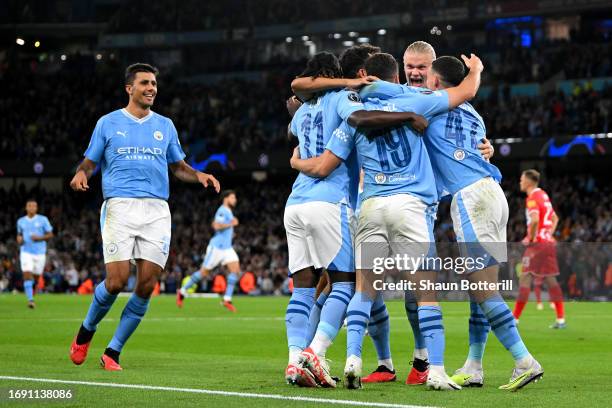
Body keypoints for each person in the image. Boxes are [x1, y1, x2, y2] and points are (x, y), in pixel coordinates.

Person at [291, 52, 484, 390]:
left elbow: (322, 164)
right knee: (425, 292)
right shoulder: (418, 100)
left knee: (362, 290)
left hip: (371, 206)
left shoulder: (353, 116)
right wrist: (477, 69)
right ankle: (435, 369)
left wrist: (296, 161)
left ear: (367, 76)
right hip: (410, 205)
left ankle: (345, 357)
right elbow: (465, 94)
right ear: (396, 76)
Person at [284, 51, 428, 388]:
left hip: (295, 204)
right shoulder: (343, 98)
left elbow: (293, 115)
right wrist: (406, 117)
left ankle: (294, 361)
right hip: (330, 202)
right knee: (347, 283)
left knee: (303, 288)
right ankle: (314, 356)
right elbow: (361, 118)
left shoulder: (303, 109)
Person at [68, 63, 220, 371]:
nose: (151, 88)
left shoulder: (165, 125)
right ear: (129, 88)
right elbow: (88, 162)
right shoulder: (108, 123)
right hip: (120, 206)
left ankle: (113, 352)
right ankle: (86, 330)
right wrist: (80, 174)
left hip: (156, 210)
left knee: (148, 283)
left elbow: (178, 167)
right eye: (145, 83)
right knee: (116, 281)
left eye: (154, 84)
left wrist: (199, 174)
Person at [407, 56, 544, 391]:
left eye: (428, 78)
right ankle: (474, 365)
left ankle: (524, 360)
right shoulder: (474, 114)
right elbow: (476, 146)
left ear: (437, 83)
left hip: (470, 198)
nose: (423, 82)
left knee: (481, 286)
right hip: (494, 194)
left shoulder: (430, 103)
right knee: (480, 288)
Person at [513, 169, 566, 329]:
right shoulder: (544, 195)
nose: (520, 182)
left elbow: (535, 220)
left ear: (529, 181)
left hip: (538, 245)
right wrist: (548, 234)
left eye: (522, 179)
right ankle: (561, 319)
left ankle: (514, 319)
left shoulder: (532, 198)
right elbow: (555, 218)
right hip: (548, 243)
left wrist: (532, 237)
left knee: (525, 277)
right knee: (550, 279)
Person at [177, 190, 241, 312]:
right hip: (217, 248)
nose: (235, 200)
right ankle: (182, 291)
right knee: (203, 273)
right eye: (233, 197)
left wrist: (231, 232)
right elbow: (216, 226)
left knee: (236, 271)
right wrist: (231, 224)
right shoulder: (222, 210)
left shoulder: (228, 211)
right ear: (226, 198)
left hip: (227, 248)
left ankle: (226, 299)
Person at [16, 199, 54, 308]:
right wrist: (19, 239)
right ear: (26, 208)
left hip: (40, 252)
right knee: (27, 275)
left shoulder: (43, 220)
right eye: (29, 206)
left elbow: (50, 234)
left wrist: (39, 238)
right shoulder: (21, 221)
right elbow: (19, 234)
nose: (31, 208)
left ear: (36, 208)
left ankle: (34, 287)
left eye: (34, 206)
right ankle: (30, 300)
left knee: (36, 278)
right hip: (26, 251)